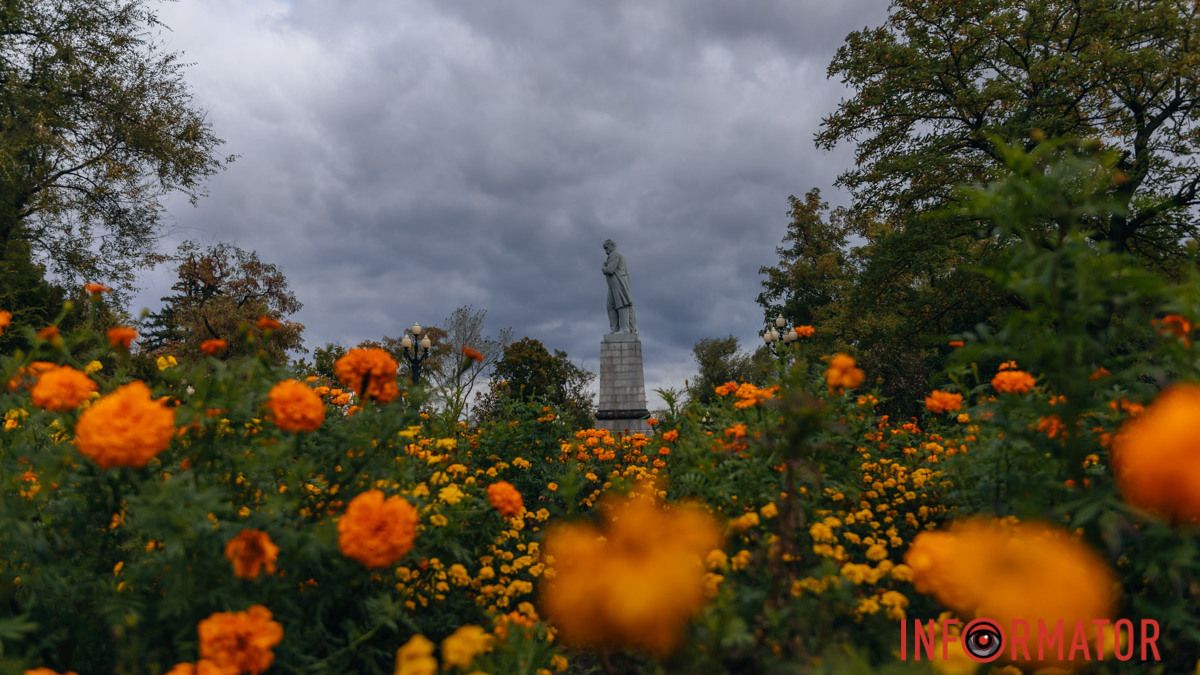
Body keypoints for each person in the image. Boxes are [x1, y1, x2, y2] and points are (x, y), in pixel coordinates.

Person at [602, 239, 637, 334]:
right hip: (613, 285)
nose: (606, 251)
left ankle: (624, 329)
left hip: (619, 283)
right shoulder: (611, 256)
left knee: (621, 305)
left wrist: (604, 268)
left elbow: (610, 270)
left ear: (612, 245)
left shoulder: (615, 255)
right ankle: (615, 328)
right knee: (610, 306)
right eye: (604, 249)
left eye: (606, 248)